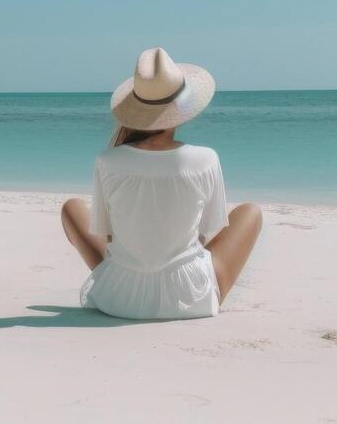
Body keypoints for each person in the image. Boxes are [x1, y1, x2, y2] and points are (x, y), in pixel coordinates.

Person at [59, 47, 263, 319]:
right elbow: (203, 236)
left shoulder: (107, 160)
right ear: (183, 106)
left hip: (119, 298)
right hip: (188, 298)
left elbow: (108, 237)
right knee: (251, 212)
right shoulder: (206, 159)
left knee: (72, 208)